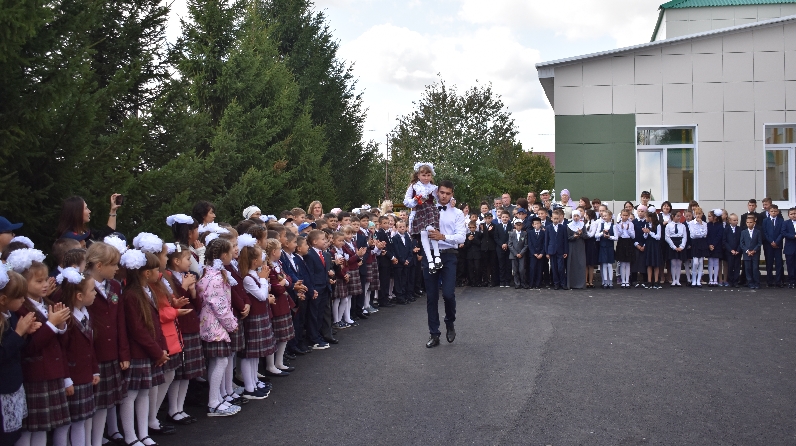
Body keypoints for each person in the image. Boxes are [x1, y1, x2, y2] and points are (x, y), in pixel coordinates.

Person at [8, 248, 72, 446]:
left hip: (52, 372)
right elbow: (28, 347)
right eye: (39, 281)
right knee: (30, 428)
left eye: (45, 280)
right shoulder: (21, 309)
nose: (45, 284)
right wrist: (51, 325)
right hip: (35, 374)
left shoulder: (46, 303)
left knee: (44, 427)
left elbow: (60, 344)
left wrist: (61, 326)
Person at [84, 241, 130, 445]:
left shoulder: (115, 286)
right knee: (91, 404)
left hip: (112, 352)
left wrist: (123, 352)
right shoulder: (83, 286)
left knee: (105, 402)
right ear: (99, 265)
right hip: (93, 353)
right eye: (113, 264)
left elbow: (120, 321)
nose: (117, 268)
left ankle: (98, 439)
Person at [197, 239, 241, 417]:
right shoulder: (215, 278)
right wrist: (232, 324)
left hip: (211, 323)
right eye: (230, 252)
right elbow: (219, 305)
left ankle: (217, 398)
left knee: (217, 361)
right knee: (221, 361)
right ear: (223, 255)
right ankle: (213, 402)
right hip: (214, 324)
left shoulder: (209, 272)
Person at [58, 267, 99, 446]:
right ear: (79, 296)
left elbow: (90, 346)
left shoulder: (86, 314)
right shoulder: (67, 319)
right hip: (73, 378)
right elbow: (62, 351)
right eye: (92, 290)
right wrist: (66, 379)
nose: (95, 293)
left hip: (85, 376)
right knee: (66, 424)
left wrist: (95, 370)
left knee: (81, 420)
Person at [423, 180, 466, 348]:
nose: (444, 196)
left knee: (448, 294)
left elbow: (461, 237)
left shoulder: (457, 213)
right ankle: (434, 333)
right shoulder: (427, 209)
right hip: (430, 255)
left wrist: (443, 237)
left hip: (449, 255)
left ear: (452, 194)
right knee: (431, 296)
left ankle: (450, 321)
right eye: (442, 192)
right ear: (437, 192)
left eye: (448, 193)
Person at [1, 268, 39, 446]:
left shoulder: (11, 316)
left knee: (15, 434)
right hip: (3, 389)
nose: (24, 300)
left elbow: (18, 349)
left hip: (13, 386)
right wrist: (18, 334)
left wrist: (25, 334)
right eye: (19, 297)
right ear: (3, 299)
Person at [238, 236, 279, 394]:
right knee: (249, 353)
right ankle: (249, 386)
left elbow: (265, 291)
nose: (263, 258)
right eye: (261, 256)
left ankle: (254, 381)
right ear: (255, 261)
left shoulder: (255, 274)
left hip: (261, 314)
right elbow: (261, 296)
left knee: (255, 353)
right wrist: (263, 280)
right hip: (254, 317)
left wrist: (264, 280)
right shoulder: (248, 278)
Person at [403, 163, 443, 272]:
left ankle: (436, 256)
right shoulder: (414, 186)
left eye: (428, 175)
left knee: (431, 229)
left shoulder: (433, 188)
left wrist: (452, 200)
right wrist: (415, 200)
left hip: (429, 211)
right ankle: (431, 261)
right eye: (423, 175)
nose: (426, 178)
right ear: (418, 175)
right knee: (423, 233)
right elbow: (406, 202)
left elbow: (441, 198)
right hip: (419, 212)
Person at [56, 194, 122, 246]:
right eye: (86, 208)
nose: (89, 211)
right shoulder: (69, 238)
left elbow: (107, 233)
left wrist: (113, 210)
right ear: (77, 212)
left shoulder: (85, 231)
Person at [546, 209, 569, 290]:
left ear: (559, 219)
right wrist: (547, 252)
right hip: (552, 250)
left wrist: (566, 251)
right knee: (554, 268)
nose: (556, 220)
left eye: (557, 218)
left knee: (561, 268)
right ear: (551, 218)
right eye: (554, 218)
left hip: (560, 251)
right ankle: (556, 283)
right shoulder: (548, 228)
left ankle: (563, 283)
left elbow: (565, 240)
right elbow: (546, 240)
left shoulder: (563, 228)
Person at [762, 203, 784, 287]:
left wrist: (777, 242)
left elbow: (782, 232)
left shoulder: (781, 221)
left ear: (778, 212)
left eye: (775, 211)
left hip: (778, 245)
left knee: (779, 263)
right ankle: (769, 281)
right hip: (769, 245)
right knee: (769, 263)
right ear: (769, 212)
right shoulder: (765, 221)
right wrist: (771, 241)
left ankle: (778, 281)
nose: (773, 212)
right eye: (772, 211)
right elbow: (764, 232)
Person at [595, 210, 617, 289]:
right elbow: (596, 235)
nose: (604, 217)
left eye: (605, 216)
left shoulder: (613, 226)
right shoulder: (601, 225)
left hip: (610, 247)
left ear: (610, 216)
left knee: (609, 265)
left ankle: (610, 282)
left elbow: (616, 237)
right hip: (602, 247)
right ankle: (605, 282)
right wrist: (602, 233)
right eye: (603, 216)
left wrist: (609, 237)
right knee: (604, 264)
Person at [391, 220, 413, 302]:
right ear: (397, 228)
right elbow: (396, 251)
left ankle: (405, 295)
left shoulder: (407, 237)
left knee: (405, 279)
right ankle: (399, 296)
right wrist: (403, 260)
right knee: (398, 280)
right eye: (400, 227)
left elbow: (410, 249)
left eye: (403, 226)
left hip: (407, 262)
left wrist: (408, 259)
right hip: (399, 263)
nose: (402, 228)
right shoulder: (395, 238)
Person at [740, 215, 763, 289]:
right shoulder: (743, 232)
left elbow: (759, 243)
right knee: (748, 268)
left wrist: (754, 250)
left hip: (755, 253)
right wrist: (747, 251)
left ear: (754, 223)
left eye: (751, 222)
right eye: (747, 222)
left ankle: (756, 282)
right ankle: (750, 282)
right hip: (746, 254)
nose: (749, 224)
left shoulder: (758, 232)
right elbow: (742, 243)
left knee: (755, 268)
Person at [688, 207, 709, 287]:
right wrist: (700, 233)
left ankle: (698, 281)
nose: (698, 215)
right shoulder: (691, 223)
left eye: (699, 214)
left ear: (702, 214)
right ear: (694, 215)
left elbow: (705, 234)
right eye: (696, 214)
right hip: (695, 243)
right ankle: (693, 279)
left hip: (702, 243)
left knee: (701, 262)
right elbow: (693, 234)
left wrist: (701, 225)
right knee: (695, 262)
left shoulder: (704, 224)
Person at [615, 210, 636, 288]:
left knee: (628, 263)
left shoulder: (631, 224)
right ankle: (623, 281)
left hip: (629, 242)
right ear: (621, 215)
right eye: (623, 215)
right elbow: (617, 236)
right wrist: (621, 229)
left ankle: (627, 281)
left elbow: (633, 236)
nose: (624, 217)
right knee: (622, 263)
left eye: (626, 215)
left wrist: (628, 229)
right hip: (621, 242)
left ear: (629, 215)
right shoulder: (618, 224)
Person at [565, 210, 586, 289]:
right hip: (572, 246)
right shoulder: (569, 225)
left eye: (577, 216)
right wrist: (574, 237)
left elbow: (586, 236)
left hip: (580, 246)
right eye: (574, 216)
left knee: (581, 264)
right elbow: (568, 237)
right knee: (572, 264)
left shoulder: (582, 225)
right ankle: (572, 284)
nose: (576, 218)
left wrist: (581, 234)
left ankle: (581, 284)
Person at [643, 213, 663, 289]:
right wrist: (645, 233)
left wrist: (650, 232)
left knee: (656, 264)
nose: (645, 218)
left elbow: (658, 237)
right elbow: (645, 237)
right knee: (649, 264)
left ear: (650, 217)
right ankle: (649, 281)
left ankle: (656, 281)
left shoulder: (658, 225)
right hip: (649, 245)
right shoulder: (646, 224)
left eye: (646, 217)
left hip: (655, 245)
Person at [723, 213, 743, 288]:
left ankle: (736, 281)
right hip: (729, 252)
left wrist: (738, 250)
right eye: (734, 220)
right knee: (730, 266)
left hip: (738, 251)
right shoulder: (726, 229)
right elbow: (724, 241)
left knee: (737, 266)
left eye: (737, 220)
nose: (736, 221)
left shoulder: (740, 229)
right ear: (730, 220)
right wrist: (730, 250)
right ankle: (730, 280)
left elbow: (741, 240)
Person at [706, 209, 725, 287]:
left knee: (716, 263)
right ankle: (710, 279)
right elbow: (707, 235)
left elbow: (719, 236)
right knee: (710, 262)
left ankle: (715, 280)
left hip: (717, 246)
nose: (708, 218)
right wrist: (709, 244)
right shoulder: (708, 225)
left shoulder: (720, 225)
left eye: (710, 216)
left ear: (715, 217)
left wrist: (713, 244)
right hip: (709, 246)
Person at [508, 218, 528, 289]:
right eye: (517, 225)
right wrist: (516, 253)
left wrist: (521, 253)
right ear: (515, 225)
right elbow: (510, 244)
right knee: (515, 270)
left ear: (522, 226)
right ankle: (517, 283)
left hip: (522, 255)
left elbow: (526, 245)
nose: (518, 226)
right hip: (514, 255)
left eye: (520, 225)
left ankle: (523, 283)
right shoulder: (511, 234)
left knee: (521, 270)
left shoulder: (524, 234)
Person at [493, 211, 512, 287]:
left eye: (506, 217)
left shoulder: (511, 226)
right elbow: (496, 237)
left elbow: (511, 237)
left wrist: (506, 244)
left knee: (508, 265)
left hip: (509, 248)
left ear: (509, 218)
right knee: (501, 265)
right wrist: (502, 244)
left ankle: (507, 281)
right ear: (500, 218)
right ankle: (502, 281)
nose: (505, 218)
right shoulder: (497, 226)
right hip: (500, 248)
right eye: (503, 217)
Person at [479, 213, 497, 287]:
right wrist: (482, 231)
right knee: (484, 265)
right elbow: (480, 236)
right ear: (484, 219)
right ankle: (485, 280)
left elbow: (494, 236)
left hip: (492, 248)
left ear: (491, 219)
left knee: (493, 265)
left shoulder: (494, 226)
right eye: (486, 218)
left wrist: (490, 231)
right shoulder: (481, 226)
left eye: (489, 218)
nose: (488, 220)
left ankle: (493, 281)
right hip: (484, 247)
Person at [583, 210, 600, 288]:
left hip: (591, 243)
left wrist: (584, 234)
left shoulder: (594, 223)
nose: (585, 215)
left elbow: (592, 234)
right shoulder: (586, 223)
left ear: (589, 215)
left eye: (586, 214)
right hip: (586, 243)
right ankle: (585, 281)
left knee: (591, 263)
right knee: (586, 263)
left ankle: (590, 281)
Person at [463, 221, 482, 287]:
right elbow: (466, 246)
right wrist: (469, 240)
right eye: (470, 227)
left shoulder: (478, 234)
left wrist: (473, 239)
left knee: (477, 268)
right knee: (470, 269)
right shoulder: (467, 235)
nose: (472, 229)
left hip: (477, 254)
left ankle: (478, 281)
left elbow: (479, 243)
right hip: (469, 254)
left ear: (475, 227)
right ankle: (472, 282)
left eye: (473, 227)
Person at [782, 207, 796, 289]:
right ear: (788, 215)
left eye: (795, 213)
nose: (794, 215)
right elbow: (783, 232)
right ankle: (791, 281)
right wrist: (793, 236)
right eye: (791, 214)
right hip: (790, 247)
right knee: (790, 265)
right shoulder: (786, 223)